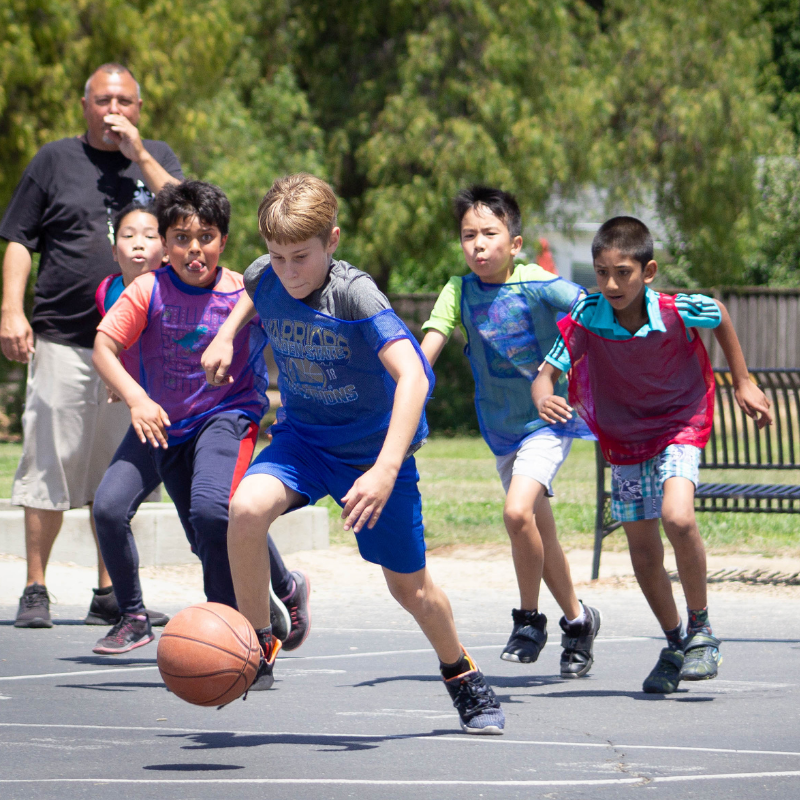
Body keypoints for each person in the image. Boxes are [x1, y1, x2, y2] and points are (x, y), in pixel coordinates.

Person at [201, 173, 505, 733]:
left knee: (410, 590)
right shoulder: (265, 275)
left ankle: (461, 672)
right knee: (242, 511)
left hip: (371, 454)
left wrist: (387, 468)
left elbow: (413, 374)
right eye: (277, 256)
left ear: (332, 241)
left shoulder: (355, 294)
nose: (288, 271)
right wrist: (226, 334)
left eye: (301, 257)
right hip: (304, 440)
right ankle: (257, 642)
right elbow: (253, 292)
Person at [533, 216, 772, 694]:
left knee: (678, 518)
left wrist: (743, 380)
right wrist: (542, 393)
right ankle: (675, 643)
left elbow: (719, 313)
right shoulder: (586, 316)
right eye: (601, 272)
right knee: (642, 550)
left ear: (649, 271)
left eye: (623, 272)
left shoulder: (676, 309)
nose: (612, 283)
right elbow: (546, 372)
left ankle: (702, 628)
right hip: (624, 441)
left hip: (679, 425)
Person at [91, 181, 310, 655]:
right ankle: (134, 615)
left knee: (213, 514)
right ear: (165, 243)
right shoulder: (149, 289)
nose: (195, 249)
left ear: (223, 241)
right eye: (182, 239)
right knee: (112, 508)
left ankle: (241, 637)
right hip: (164, 424)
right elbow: (104, 347)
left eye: (206, 237)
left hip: (227, 416)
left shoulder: (242, 291)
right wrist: (135, 396)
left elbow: (285, 316)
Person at [0, 63, 183, 627]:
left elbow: (190, 210)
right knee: (49, 462)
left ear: (139, 107)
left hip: (137, 348)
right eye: (103, 100)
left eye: (125, 101)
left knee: (117, 469)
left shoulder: (156, 158)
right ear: (84, 105)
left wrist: (140, 157)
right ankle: (36, 587)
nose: (113, 110)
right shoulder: (54, 160)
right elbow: (18, 237)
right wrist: (10, 308)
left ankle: (111, 592)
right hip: (65, 337)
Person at [420, 186, 601, 678]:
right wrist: (405, 382)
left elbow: (589, 307)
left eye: (489, 234)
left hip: (546, 423)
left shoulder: (536, 282)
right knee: (535, 530)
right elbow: (425, 352)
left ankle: (529, 620)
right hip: (500, 432)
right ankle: (579, 621)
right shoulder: (458, 291)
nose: (478, 245)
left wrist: (550, 371)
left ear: (514, 243)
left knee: (516, 512)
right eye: (468, 235)